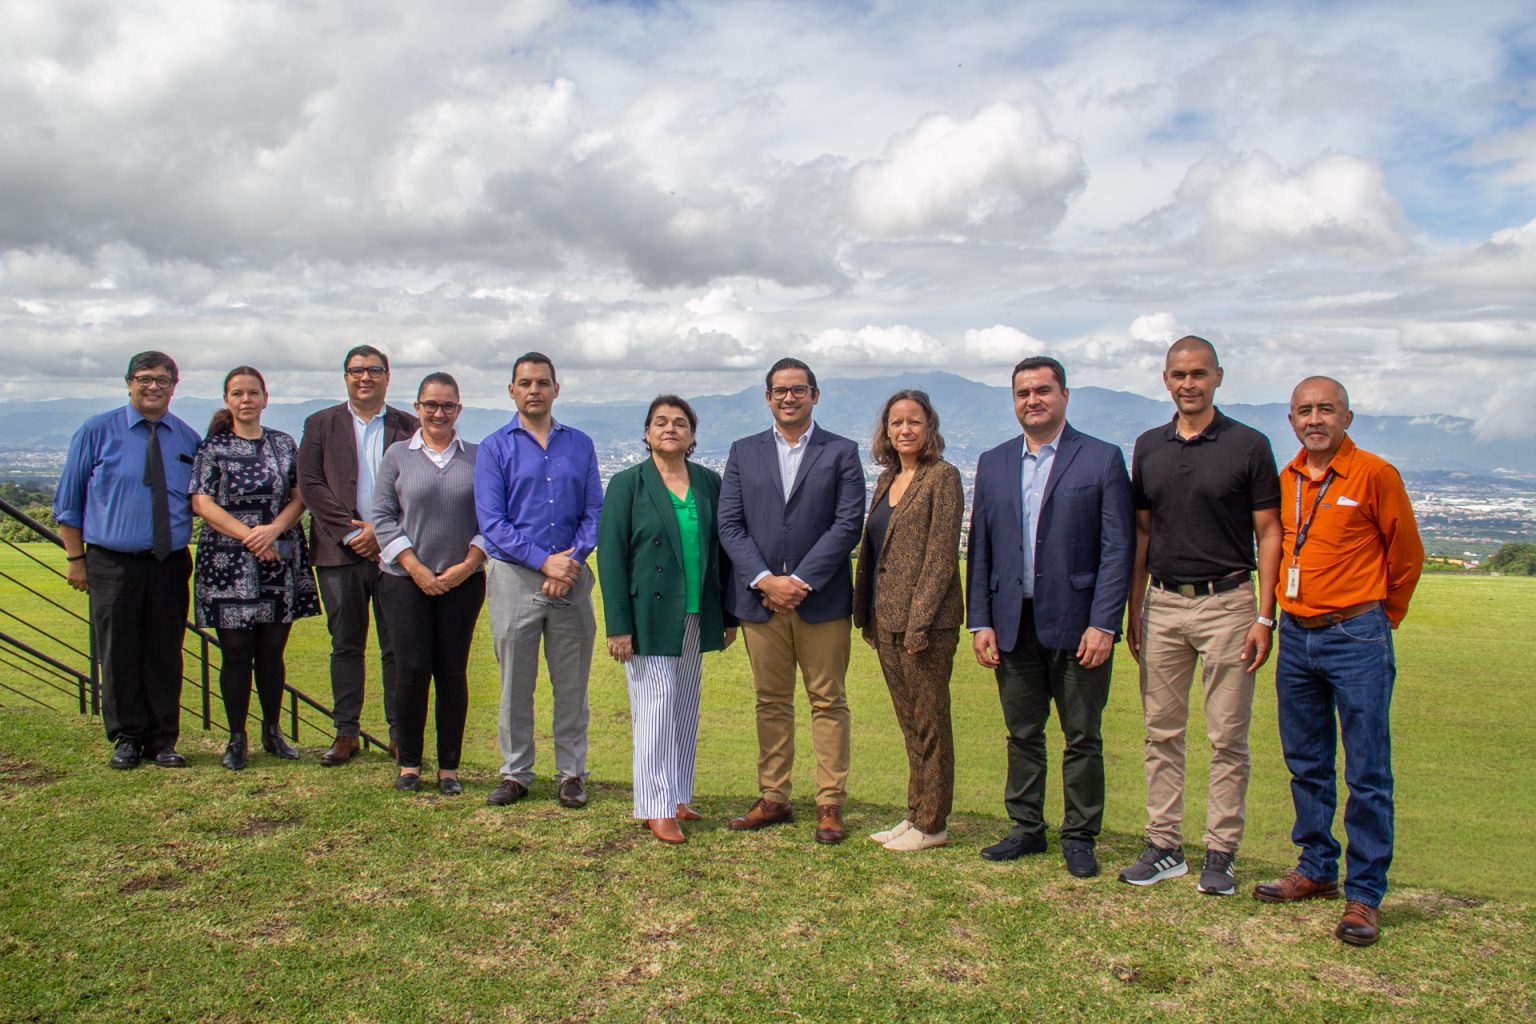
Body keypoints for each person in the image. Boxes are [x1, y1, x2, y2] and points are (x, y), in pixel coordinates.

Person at [1252, 376, 1423, 947]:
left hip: (1357, 633)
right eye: (1304, 410)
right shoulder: (1288, 478)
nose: (1315, 419)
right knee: (1306, 760)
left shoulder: (1375, 474)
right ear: (1292, 420)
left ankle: (1365, 893)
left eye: (1326, 409)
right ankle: (1317, 865)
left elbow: (1406, 555)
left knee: (1367, 768)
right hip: (1298, 634)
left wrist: (1382, 617)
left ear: (1347, 418)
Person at [1119, 337, 1283, 894]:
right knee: (1160, 733)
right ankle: (1164, 845)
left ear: (1218, 377)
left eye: (1198, 374)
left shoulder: (1249, 445)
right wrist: (1135, 606)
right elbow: (1143, 532)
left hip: (1229, 603)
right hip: (1163, 602)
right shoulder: (1149, 446)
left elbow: (1269, 532)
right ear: (1165, 380)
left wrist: (1264, 616)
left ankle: (1221, 851)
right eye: (1178, 374)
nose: (1188, 383)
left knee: (1227, 737)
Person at [967, 356, 1134, 878]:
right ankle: (1026, 828)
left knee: (1082, 735)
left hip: (1080, 624)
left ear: (1064, 395)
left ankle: (1080, 836)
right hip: (1012, 622)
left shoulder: (1101, 458)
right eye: (1023, 393)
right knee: (1022, 733)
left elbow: (1118, 549)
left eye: (1042, 390)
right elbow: (981, 549)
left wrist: (1104, 624)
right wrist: (980, 621)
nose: (1032, 400)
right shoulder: (994, 462)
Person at [717, 357, 866, 844]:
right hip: (761, 603)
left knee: (829, 701)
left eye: (798, 389)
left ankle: (829, 803)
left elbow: (847, 524)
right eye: (779, 390)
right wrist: (766, 580)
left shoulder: (841, 451)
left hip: (821, 601)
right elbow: (730, 525)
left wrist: (799, 581)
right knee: (771, 701)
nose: (789, 397)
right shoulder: (743, 452)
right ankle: (774, 796)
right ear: (767, 398)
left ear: (814, 396)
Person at [597, 396, 738, 844]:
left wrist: (729, 616)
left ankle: (677, 795)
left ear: (692, 435)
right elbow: (611, 558)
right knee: (655, 708)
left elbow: (723, 553)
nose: (670, 428)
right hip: (648, 615)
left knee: (683, 707)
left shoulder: (709, 482)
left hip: (697, 609)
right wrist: (618, 625)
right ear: (646, 433)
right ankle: (654, 806)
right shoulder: (627, 484)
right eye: (660, 422)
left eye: (680, 422)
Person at [55, 351, 201, 769]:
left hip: (169, 562)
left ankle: (163, 739)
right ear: (129, 382)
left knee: (164, 652)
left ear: (174, 386)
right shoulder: (97, 431)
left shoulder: (187, 438)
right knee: (118, 651)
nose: (153, 386)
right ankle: (127, 737)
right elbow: (69, 501)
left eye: (162, 380)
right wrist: (75, 557)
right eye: (144, 378)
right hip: (112, 562)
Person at [475, 352, 602, 809]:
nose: (534, 390)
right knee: (515, 682)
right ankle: (516, 773)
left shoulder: (580, 444)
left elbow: (594, 511)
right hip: (513, 577)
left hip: (572, 577)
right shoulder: (494, 448)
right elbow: (492, 522)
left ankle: (572, 773)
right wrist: (544, 562)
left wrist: (571, 562)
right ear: (511, 390)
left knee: (572, 683)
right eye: (525, 383)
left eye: (542, 382)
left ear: (556, 389)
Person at [190, 367, 320, 770]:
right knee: (235, 651)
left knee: (271, 651)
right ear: (227, 400)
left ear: (265, 398)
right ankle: (236, 737)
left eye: (252, 393)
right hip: (228, 561)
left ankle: (272, 730)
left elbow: (300, 495)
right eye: (237, 393)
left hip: (278, 557)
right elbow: (202, 502)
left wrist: (274, 531)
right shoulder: (212, 447)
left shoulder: (283, 444)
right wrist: (251, 537)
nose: (245, 400)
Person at [852, 390, 964, 853]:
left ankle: (933, 823)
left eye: (913, 421)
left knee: (931, 723)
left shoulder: (943, 478)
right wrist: (868, 617)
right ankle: (916, 812)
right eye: (896, 422)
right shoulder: (887, 478)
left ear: (929, 426)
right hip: (886, 621)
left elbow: (940, 559)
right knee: (910, 723)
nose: (904, 429)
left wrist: (918, 625)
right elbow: (876, 551)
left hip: (926, 627)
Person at [297, 345, 419, 765]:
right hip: (339, 553)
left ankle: (401, 735)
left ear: (387, 376)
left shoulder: (409, 425)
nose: (365, 377)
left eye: (374, 370)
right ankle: (345, 733)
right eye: (356, 370)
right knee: (345, 645)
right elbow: (311, 485)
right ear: (345, 376)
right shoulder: (320, 424)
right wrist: (352, 532)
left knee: (396, 647)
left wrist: (382, 534)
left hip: (394, 553)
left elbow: (417, 486)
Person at [371, 373, 487, 796]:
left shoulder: (478, 457)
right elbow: (382, 516)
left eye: (447, 405)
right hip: (404, 581)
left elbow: (491, 519)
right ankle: (409, 764)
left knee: (452, 672)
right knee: (413, 670)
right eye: (431, 405)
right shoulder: (398, 455)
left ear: (459, 409)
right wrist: (415, 567)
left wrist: (467, 565)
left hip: (463, 582)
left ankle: (449, 768)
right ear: (417, 407)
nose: (439, 413)